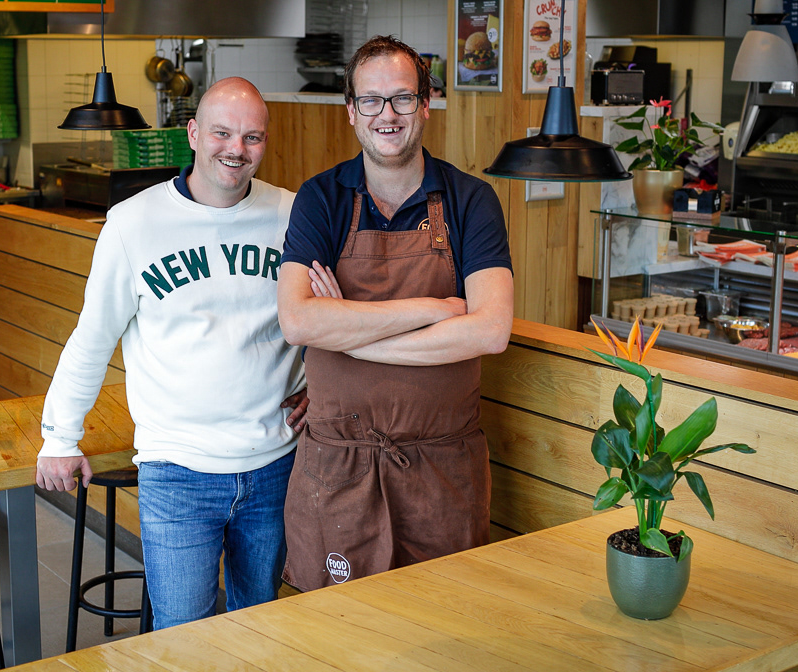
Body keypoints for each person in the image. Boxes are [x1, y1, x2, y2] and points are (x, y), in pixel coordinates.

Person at [36, 76, 308, 630]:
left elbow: (327, 319)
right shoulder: (134, 223)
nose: (236, 149)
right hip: (177, 471)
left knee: (262, 632)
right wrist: (60, 438)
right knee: (184, 639)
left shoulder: (293, 214)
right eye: (222, 132)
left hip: (276, 463)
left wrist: (324, 386)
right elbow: (93, 336)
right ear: (192, 132)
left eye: (253, 137)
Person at [278, 35, 514, 591]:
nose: (388, 114)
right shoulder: (321, 198)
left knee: (441, 636)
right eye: (371, 100)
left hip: (443, 471)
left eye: (403, 98)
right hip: (338, 469)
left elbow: (490, 329)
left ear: (426, 105)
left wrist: (347, 333)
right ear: (351, 114)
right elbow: (298, 322)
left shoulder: (470, 200)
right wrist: (434, 310)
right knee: (334, 641)